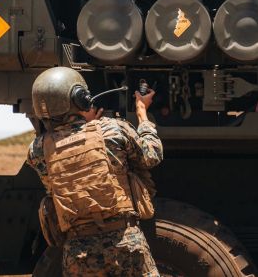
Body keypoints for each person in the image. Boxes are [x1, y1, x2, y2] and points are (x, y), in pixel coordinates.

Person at [27, 67, 163, 277]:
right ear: (80, 98)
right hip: (124, 243)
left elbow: (69, 151)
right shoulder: (112, 129)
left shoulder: (37, 150)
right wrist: (142, 113)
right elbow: (152, 155)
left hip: (77, 253)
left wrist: (87, 127)